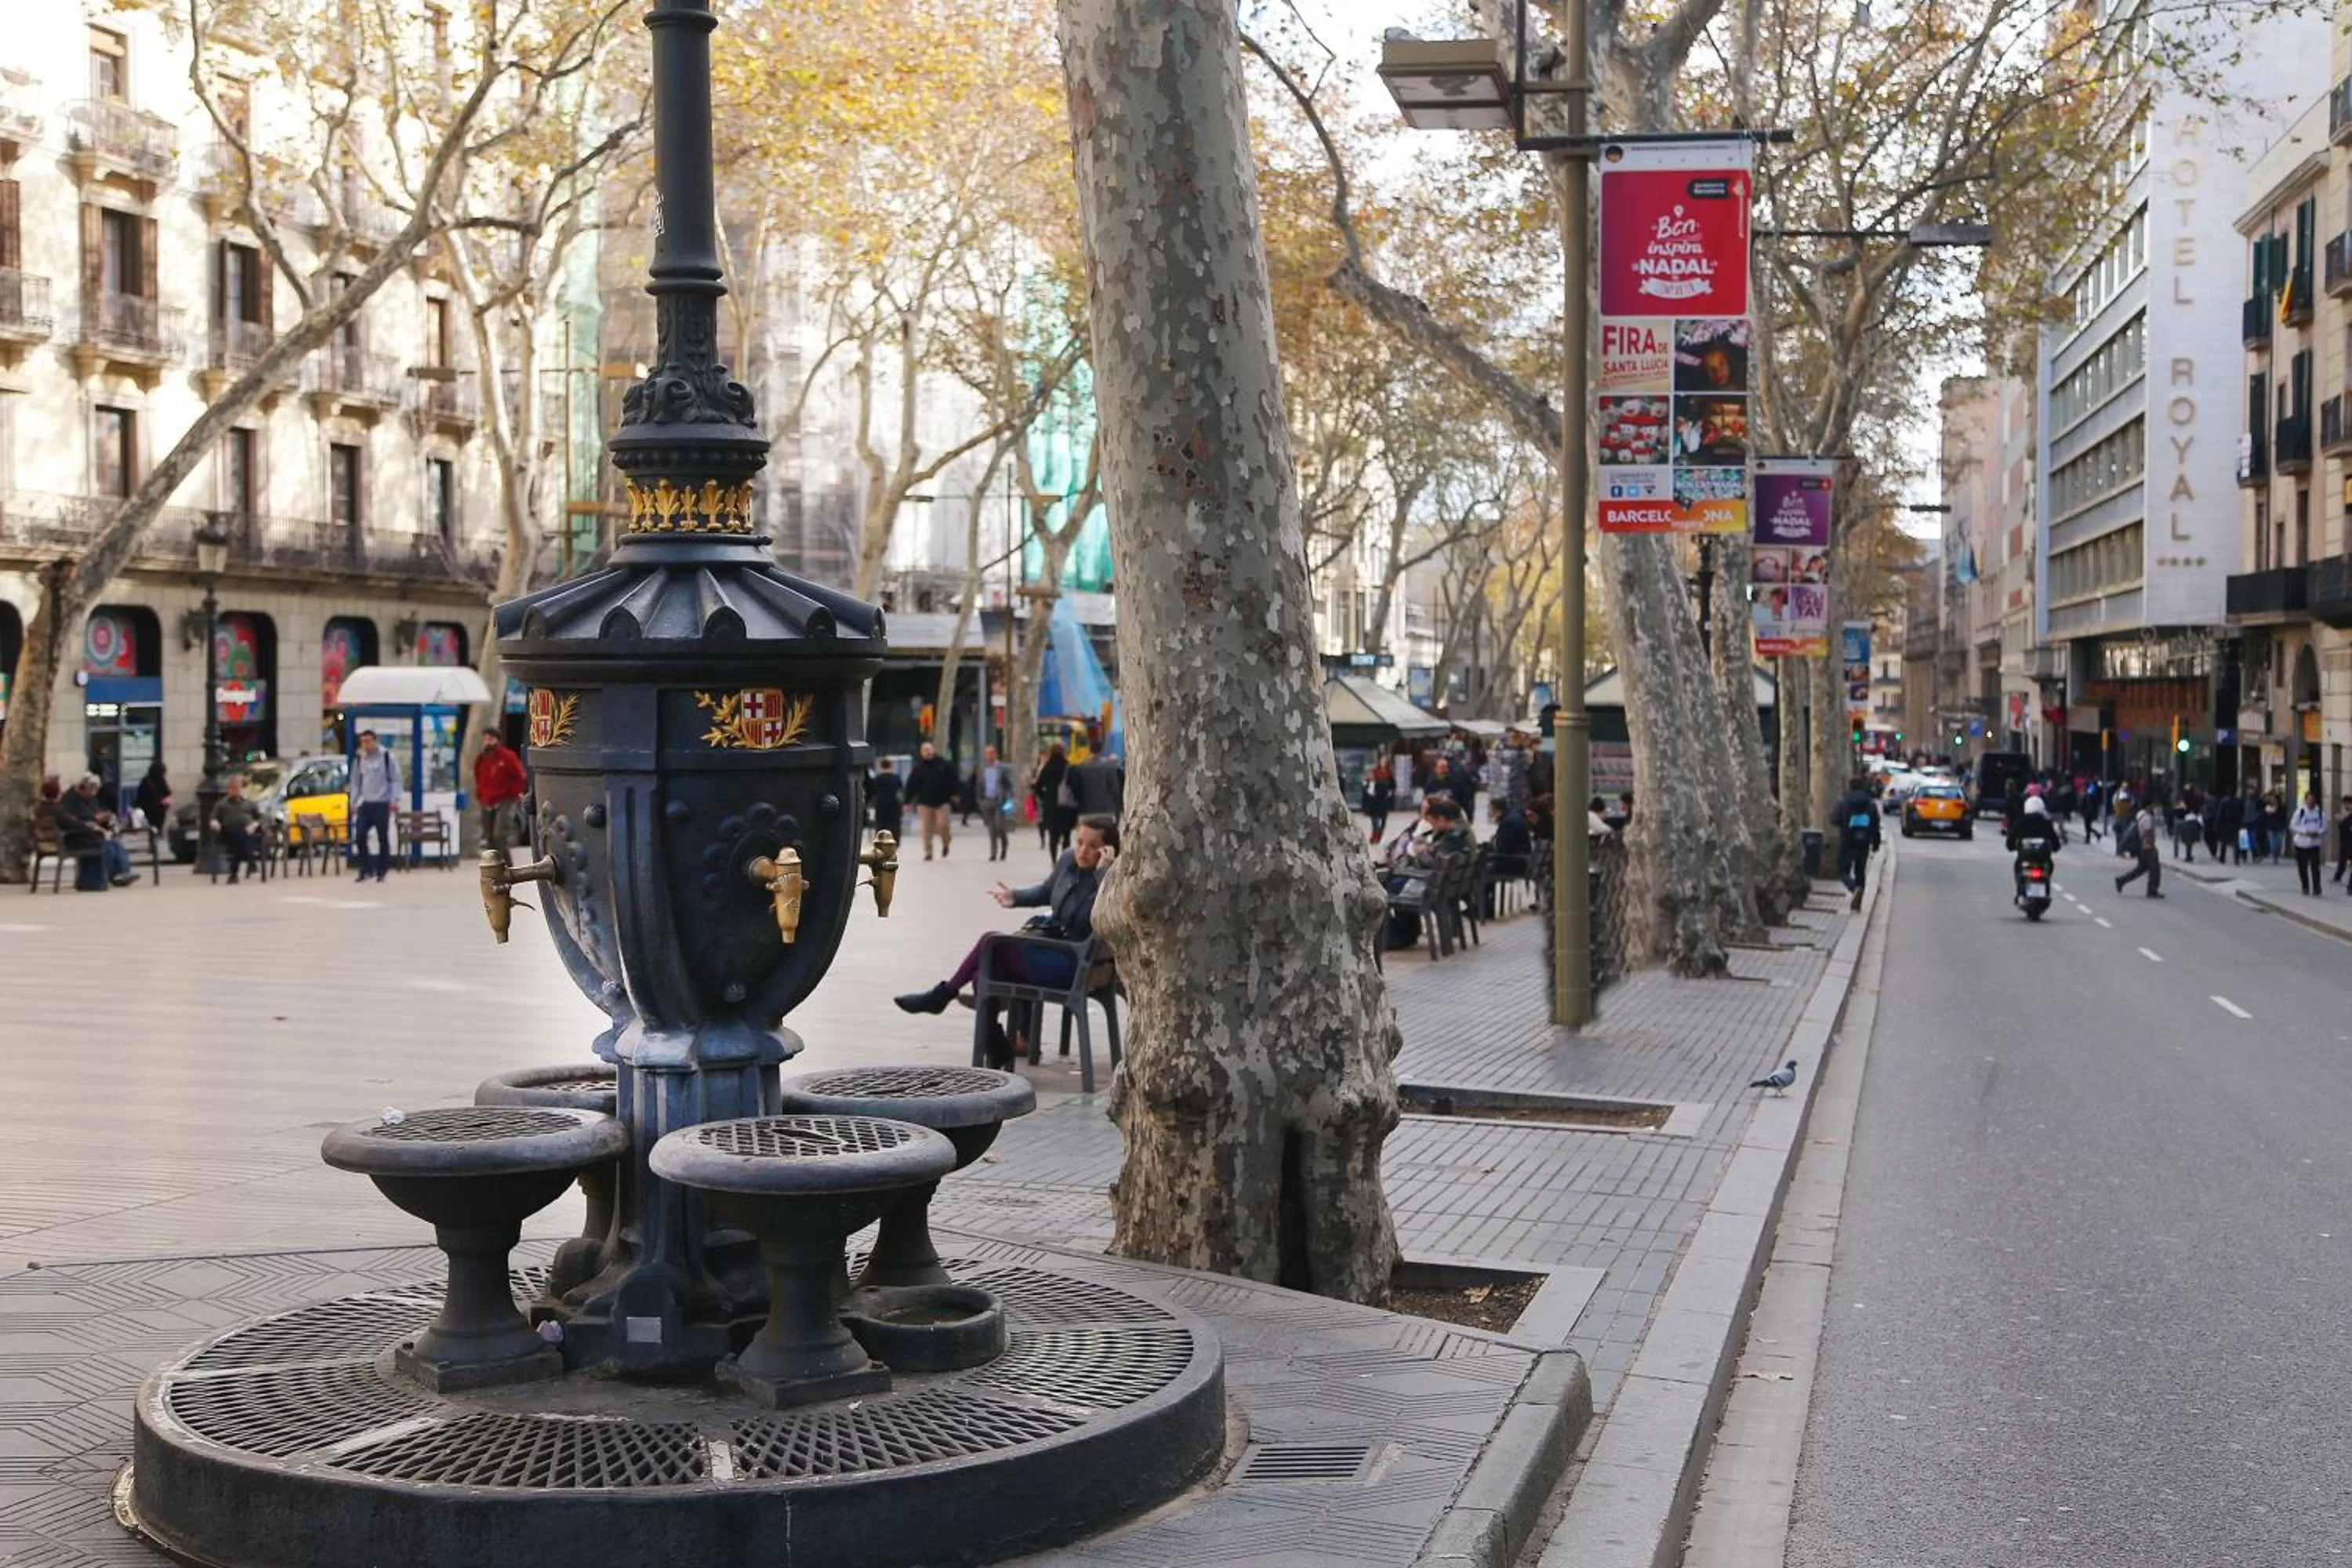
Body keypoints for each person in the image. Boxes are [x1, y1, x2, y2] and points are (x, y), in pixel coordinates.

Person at [893, 814, 1120, 1067]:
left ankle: (944, 995)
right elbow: (1047, 891)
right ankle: (997, 1044)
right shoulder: (1068, 860)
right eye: (1079, 842)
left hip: (1074, 963)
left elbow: (1106, 914)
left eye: (1092, 846)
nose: (1082, 850)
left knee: (991, 942)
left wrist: (1104, 875)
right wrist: (1015, 897)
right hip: (1050, 946)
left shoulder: (1112, 879)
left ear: (1106, 850)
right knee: (984, 973)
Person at [1382, 797, 1472, 949]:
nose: (1431, 826)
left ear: (1442, 820)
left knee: (1387, 891)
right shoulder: (1457, 835)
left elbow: (1434, 862)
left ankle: (1395, 937)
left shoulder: (1452, 839)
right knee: (1395, 882)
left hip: (1431, 889)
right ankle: (1406, 934)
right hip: (1441, 887)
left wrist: (1420, 852)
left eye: (1432, 822)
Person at [53, 773, 136, 889]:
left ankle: (122, 873)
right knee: (107, 846)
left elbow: (96, 812)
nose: (93, 793)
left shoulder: (89, 799)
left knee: (116, 845)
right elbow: (76, 820)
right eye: (90, 789)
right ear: (82, 788)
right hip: (77, 837)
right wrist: (94, 821)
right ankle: (103, 877)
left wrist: (104, 818)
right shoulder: (70, 801)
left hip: (89, 835)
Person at [347, 729, 401, 882]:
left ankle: (382, 870)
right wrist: (353, 800)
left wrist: (393, 800)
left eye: (368, 741)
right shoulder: (360, 759)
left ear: (375, 741)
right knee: (360, 836)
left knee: (382, 837)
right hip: (366, 803)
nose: (366, 745)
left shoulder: (386, 757)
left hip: (382, 803)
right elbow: (356, 782)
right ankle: (366, 868)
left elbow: (395, 780)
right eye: (363, 742)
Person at [473, 731, 528, 858]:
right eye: (485, 739)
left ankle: (506, 866)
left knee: (500, 834)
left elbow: (520, 777)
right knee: (489, 836)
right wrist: (480, 795)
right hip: (487, 801)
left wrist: (514, 793)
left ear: (497, 740)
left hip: (505, 800)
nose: (487, 742)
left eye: (490, 739)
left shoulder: (507, 757)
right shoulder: (481, 758)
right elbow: (478, 777)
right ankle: (495, 866)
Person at [1831, 772, 1880, 912]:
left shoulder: (1844, 801)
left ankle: (1853, 888)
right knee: (1861, 870)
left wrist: (1843, 823)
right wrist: (1876, 842)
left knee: (1843, 870)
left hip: (1847, 840)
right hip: (1864, 841)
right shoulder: (1870, 803)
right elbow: (1875, 824)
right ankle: (1859, 900)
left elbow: (1834, 819)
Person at [907, 741, 960, 861]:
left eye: (929, 750)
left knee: (943, 825)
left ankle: (946, 843)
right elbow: (912, 785)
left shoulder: (944, 765)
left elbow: (954, 780)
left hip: (942, 802)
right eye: (925, 751)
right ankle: (928, 852)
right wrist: (907, 801)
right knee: (926, 829)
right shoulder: (919, 768)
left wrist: (956, 793)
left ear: (934, 750)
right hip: (924, 803)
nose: (927, 753)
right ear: (921, 753)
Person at [210, 774, 265, 884]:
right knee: (239, 835)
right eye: (232, 788)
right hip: (229, 832)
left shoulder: (248, 803)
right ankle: (251, 861)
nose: (234, 791)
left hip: (249, 832)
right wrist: (215, 823)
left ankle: (233, 874)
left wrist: (254, 825)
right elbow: (213, 818)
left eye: (237, 788)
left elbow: (261, 818)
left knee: (241, 840)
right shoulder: (221, 804)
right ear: (228, 790)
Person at [1484, 798, 1533, 916]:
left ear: (1497, 810)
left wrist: (1489, 853)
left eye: (1491, 810)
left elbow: (1504, 849)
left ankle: (1484, 908)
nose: (1490, 813)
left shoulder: (1509, 823)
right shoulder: (1512, 818)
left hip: (1514, 862)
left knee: (1480, 870)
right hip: (1521, 859)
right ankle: (1485, 905)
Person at [973, 745, 1014, 862]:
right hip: (986, 800)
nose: (989, 756)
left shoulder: (1002, 768)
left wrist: (1010, 798)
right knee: (991, 829)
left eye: (992, 753)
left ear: (996, 755)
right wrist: (979, 800)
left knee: (999, 826)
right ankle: (993, 852)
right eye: (987, 754)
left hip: (1000, 801)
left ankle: (1004, 845)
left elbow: (1009, 785)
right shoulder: (982, 769)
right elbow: (979, 785)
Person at [2114, 800, 2163, 898]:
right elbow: (2148, 834)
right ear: (2149, 806)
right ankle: (2152, 891)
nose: (2156, 809)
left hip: (2141, 847)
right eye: (2154, 806)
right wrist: (2151, 847)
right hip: (2147, 847)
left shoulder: (2141, 816)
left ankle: (2121, 881)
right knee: (2155, 870)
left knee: (2141, 869)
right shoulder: (2147, 818)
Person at [1034, 742, 1072, 858]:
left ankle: (1054, 861)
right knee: (1066, 835)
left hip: (1051, 806)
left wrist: (1044, 797)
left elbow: (1037, 787)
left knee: (1053, 836)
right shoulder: (1067, 766)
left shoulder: (1047, 767)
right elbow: (1074, 785)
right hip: (1066, 807)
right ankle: (1065, 860)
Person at [1067, 750, 1124, 822]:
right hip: (1104, 810)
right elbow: (1115, 790)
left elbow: (1075, 789)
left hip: (1086, 810)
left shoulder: (1080, 770)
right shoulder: (1109, 771)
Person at [2291, 789, 2328, 895]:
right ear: (2305, 800)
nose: (2311, 802)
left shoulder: (2320, 812)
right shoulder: (2300, 811)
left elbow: (2325, 827)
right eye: (2309, 800)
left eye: (2313, 800)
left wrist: (2318, 832)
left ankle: (2317, 887)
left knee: (2315, 867)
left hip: (2314, 844)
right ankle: (2305, 886)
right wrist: (2305, 832)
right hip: (2301, 844)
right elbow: (2293, 825)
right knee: (2302, 867)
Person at [868, 757, 905, 837]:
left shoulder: (877, 779)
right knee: (894, 826)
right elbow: (900, 793)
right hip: (894, 805)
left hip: (881, 805)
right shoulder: (896, 779)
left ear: (881, 766)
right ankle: (894, 843)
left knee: (881, 826)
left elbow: (872, 792)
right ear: (891, 766)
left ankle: (881, 842)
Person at [133, 760, 172, 835]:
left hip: (149, 809)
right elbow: (167, 793)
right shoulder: (161, 780)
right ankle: (156, 836)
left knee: (150, 828)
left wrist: (137, 806)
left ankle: (153, 838)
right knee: (156, 827)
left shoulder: (146, 780)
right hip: (158, 808)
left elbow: (140, 796)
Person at [1363, 762, 1396, 844]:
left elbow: (1384, 794)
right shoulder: (1366, 784)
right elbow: (1365, 797)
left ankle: (1377, 836)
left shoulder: (1380, 784)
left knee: (1381, 823)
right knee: (1374, 823)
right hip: (1372, 807)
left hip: (1381, 806)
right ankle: (1374, 836)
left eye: (1371, 774)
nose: (1369, 776)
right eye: (1368, 774)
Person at [2335, 794, 2352, 889]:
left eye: (2347, 804)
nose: (2346, 806)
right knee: (2343, 860)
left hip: (2349, 841)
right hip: (2345, 841)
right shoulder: (2346, 815)